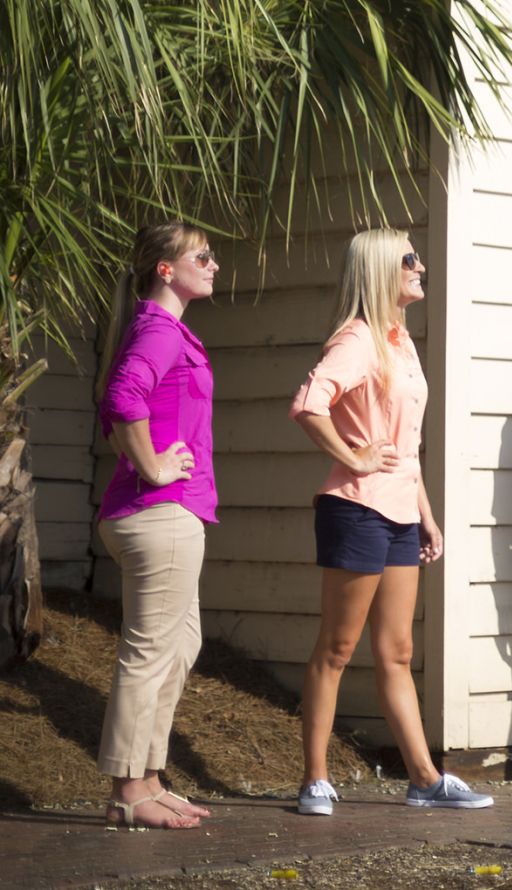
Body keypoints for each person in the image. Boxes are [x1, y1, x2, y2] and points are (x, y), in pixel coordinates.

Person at [289, 228, 490, 815]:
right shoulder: (356, 340)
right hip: (355, 507)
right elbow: (307, 403)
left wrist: (427, 516)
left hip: (401, 511)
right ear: (380, 270)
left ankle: (425, 778)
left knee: (398, 651)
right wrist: (351, 457)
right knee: (338, 646)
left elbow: (408, 446)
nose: (420, 265)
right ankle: (316, 780)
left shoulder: (400, 341)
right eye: (409, 259)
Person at [93, 221, 222, 829]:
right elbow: (123, 397)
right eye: (202, 255)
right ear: (165, 269)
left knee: (179, 645)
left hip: (167, 514)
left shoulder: (162, 330)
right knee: (149, 654)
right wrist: (152, 464)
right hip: (159, 514)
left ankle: (148, 778)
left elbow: (124, 400)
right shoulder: (159, 329)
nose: (214, 264)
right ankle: (127, 792)